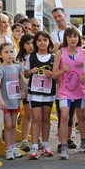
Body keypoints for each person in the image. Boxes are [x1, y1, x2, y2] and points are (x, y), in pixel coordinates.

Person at [52, 26, 85, 160]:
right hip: (64, 91)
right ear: (65, 38)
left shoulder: (83, 52)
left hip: (80, 89)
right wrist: (62, 71)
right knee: (65, 116)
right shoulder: (60, 53)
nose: (73, 39)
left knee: (81, 117)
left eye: (75, 36)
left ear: (78, 38)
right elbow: (54, 74)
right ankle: (64, 145)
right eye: (70, 36)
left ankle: (84, 142)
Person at [24, 31, 56, 160]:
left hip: (48, 92)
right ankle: (35, 146)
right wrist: (31, 71)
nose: (42, 42)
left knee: (46, 118)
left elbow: (57, 75)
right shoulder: (31, 57)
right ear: (36, 42)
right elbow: (25, 74)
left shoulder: (54, 57)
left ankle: (46, 144)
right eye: (39, 40)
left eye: (45, 40)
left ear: (49, 41)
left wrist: (52, 75)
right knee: (36, 118)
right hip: (35, 92)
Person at [0, 43, 25, 160]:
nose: (9, 54)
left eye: (11, 52)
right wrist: (0, 99)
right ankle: (8, 149)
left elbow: (20, 79)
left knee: (13, 125)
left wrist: (22, 91)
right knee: (8, 125)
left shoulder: (17, 67)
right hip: (5, 102)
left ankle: (12, 147)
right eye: (6, 52)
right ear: (0, 55)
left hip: (15, 100)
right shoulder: (1, 69)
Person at [16, 34, 35, 152]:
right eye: (27, 43)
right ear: (23, 45)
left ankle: (36, 138)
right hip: (26, 89)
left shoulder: (37, 56)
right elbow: (19, 76)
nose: (30, 46)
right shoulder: (20, 60)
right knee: (27, 115)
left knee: (37, 116)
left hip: (38, 89)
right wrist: (22, 89)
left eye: (32, 43)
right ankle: (24, 140)